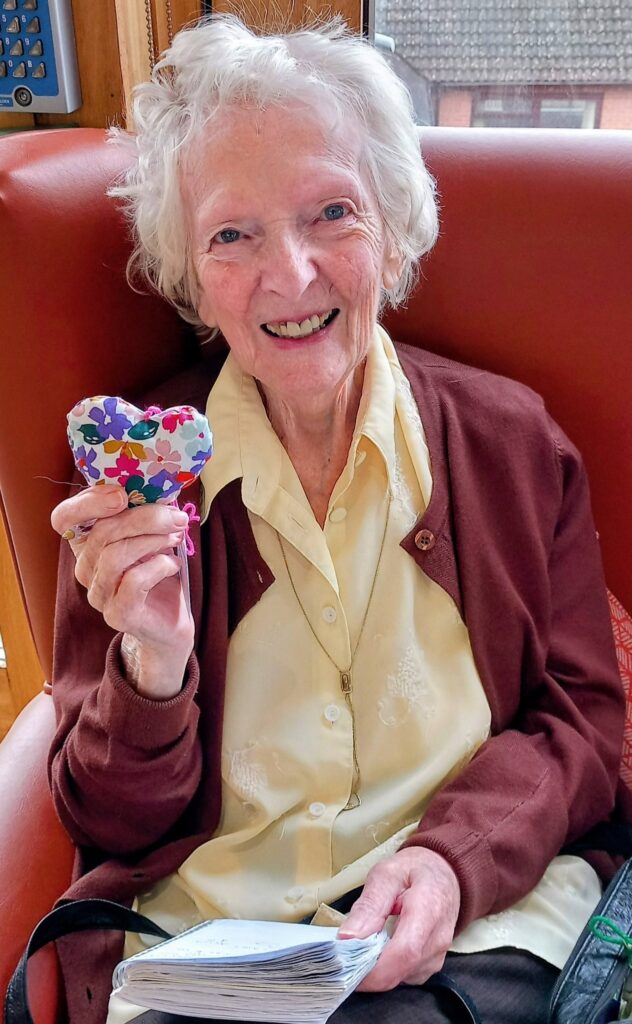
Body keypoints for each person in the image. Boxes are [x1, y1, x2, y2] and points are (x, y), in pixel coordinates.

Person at [49, 14, 625, 1024]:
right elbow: (103, 816)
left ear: (393, 231)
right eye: (233, 234)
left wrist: (452, 858)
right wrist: (154, 666)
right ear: (189, 272)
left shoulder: (512, 445)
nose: (292, 274)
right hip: (211, 955)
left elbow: (583, 728)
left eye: (330, 213)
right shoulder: (137, 491)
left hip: (472, 936)